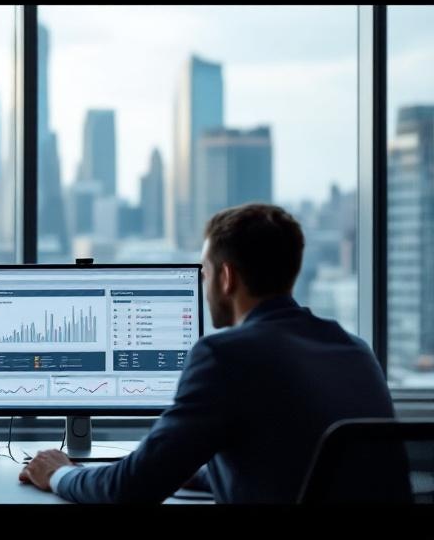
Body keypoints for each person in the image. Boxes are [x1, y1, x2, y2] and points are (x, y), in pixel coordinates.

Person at [20, 203, 395, 503]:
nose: (204, 284)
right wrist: (180, 465)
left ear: (227, 277)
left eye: (205, 272)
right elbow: (286, 464)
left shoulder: (225, 355)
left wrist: (59, 473)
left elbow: (129, 490)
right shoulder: (357, 351)